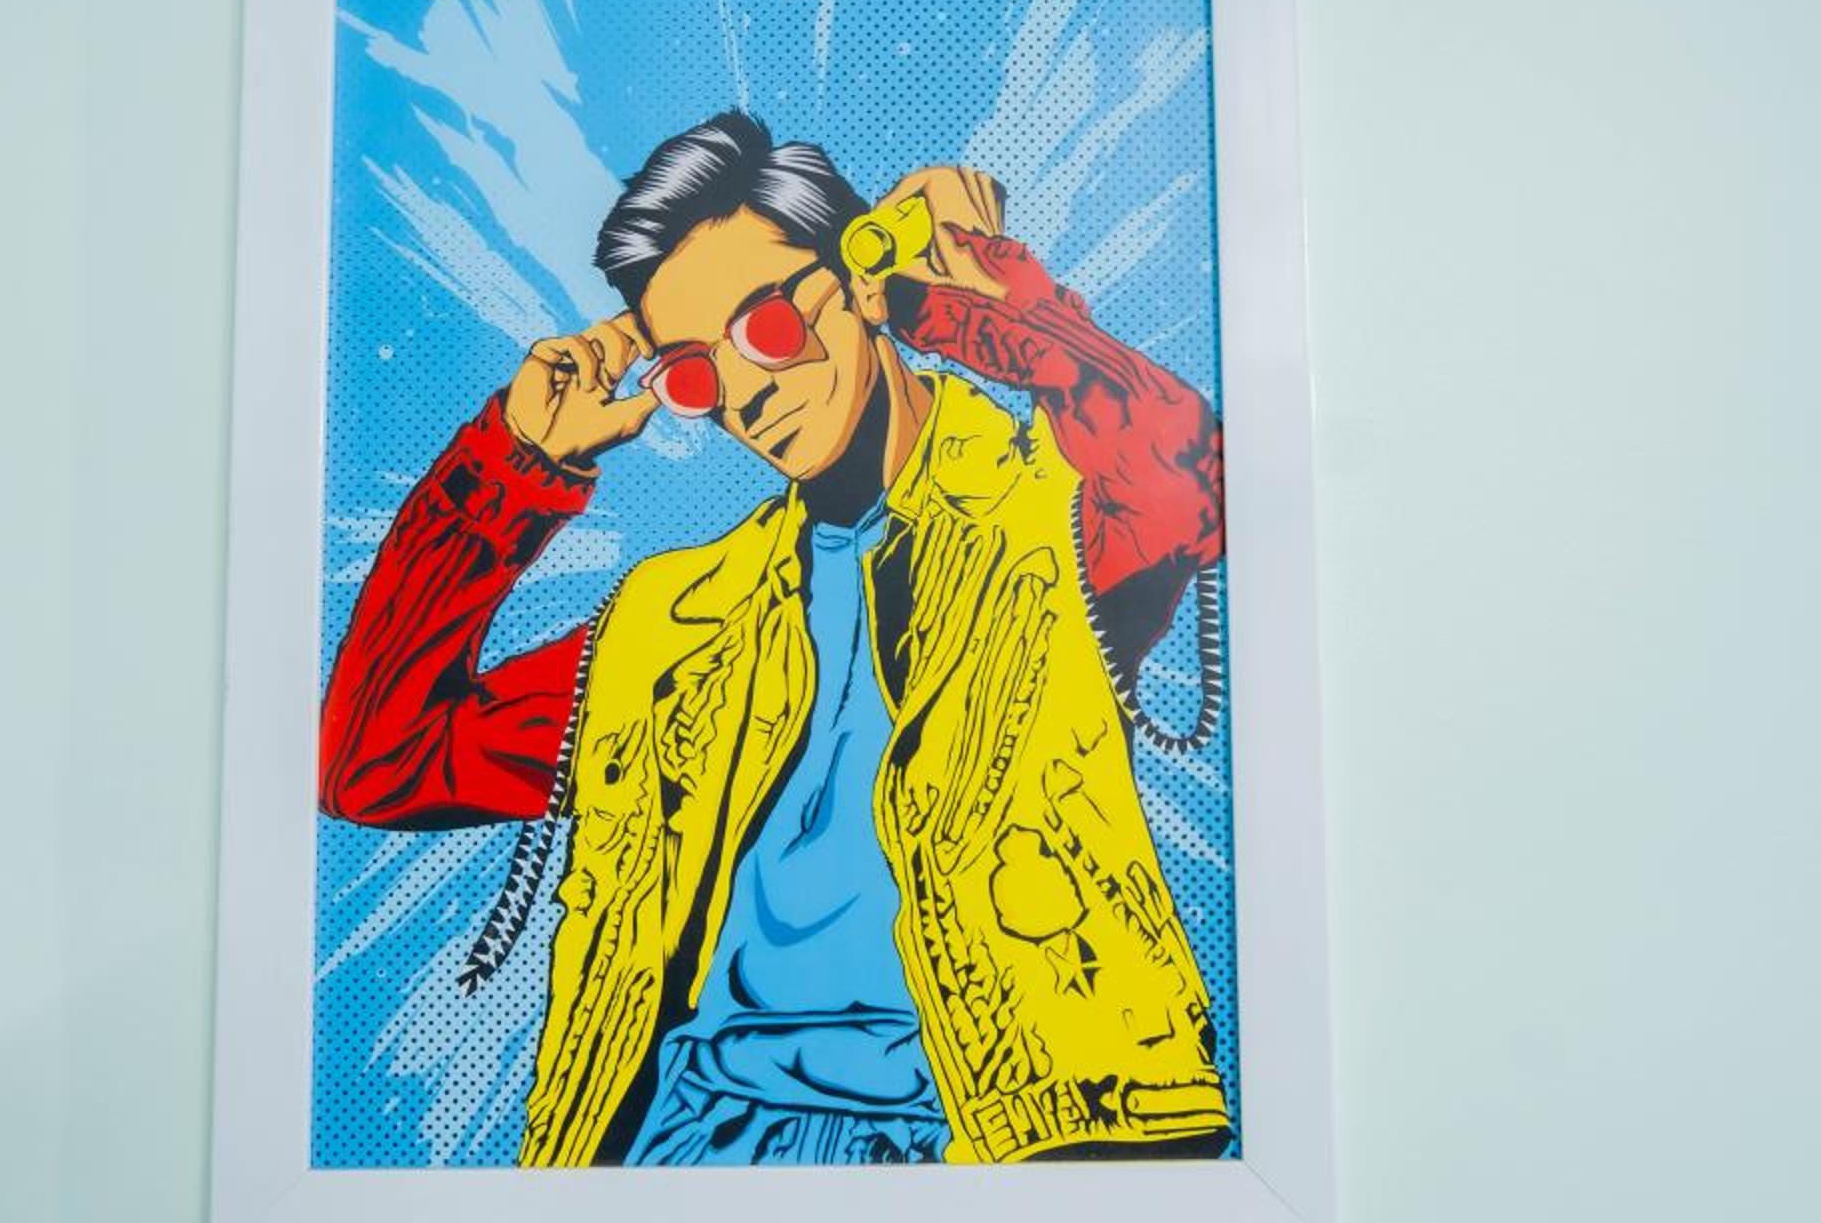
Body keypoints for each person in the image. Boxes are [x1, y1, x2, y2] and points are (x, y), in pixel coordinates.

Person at [320, 110, 1232, 1166]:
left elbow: (1187, 468)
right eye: (694, 374)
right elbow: (374, 762)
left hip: (997, 1146)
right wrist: (515, 464)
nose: (745, 392)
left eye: (766, 326)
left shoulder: (1049, 519)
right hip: (675, 1154)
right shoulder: (673, 624)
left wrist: (974, 295)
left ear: (860, 284)